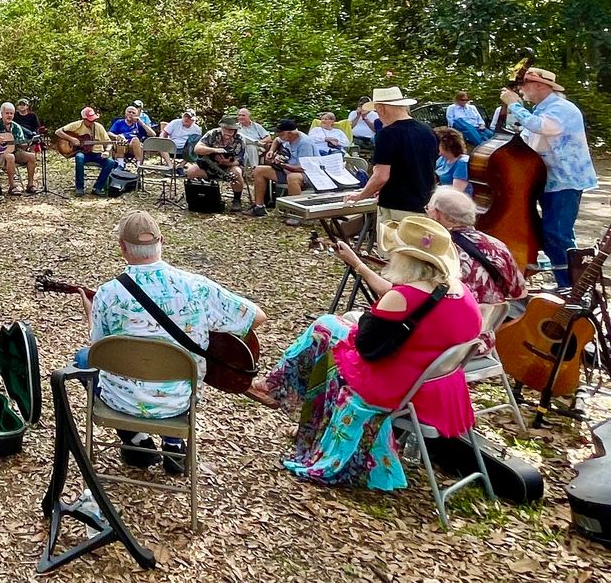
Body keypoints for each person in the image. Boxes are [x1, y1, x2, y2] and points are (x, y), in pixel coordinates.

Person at [251, 215, 480, 490]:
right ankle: (291, 403)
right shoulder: (458, 291)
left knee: (324, 329)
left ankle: (277, 389)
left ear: (406, 259)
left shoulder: (405, 297)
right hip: (437, 382)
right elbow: (398, 298)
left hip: (395, 384)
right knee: (334, 328)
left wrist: (354, 322)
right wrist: (357, 264)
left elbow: (366, 345)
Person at [76, 211, 265, 473]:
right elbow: (257, 317)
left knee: (83, 358)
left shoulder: (108, 293)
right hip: (180, 400)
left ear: (122, 247)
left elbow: (99, 348)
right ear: (161, 241)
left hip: (122, 400)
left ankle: (135, 440)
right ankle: (174, 444)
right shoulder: (196, 286)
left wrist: (90, 312)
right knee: (171, 367)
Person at [500, 67, 598, 292]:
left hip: (565, 181)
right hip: (547, 180)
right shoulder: (541, 109)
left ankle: (571, 286)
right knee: (556, 233)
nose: (522, 91)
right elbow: (528, 136)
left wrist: (514, 104)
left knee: (556, 232)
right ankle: (568, 280)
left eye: (525, 86)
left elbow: (541, 127)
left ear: (540, 86)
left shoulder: (562, 108)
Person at [426, 187, 526, 348]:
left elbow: (411, 296)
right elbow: (519, 292)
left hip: (443, 344)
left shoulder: (432, 249)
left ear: (438, 214)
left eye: (428, 210)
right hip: (483, 341)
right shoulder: (497, 246)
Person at [343, 86, 437, 224]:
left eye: (377, 111)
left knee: (393, 245)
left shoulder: (387, 134)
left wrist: (360, 195)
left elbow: (381, 176)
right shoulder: (427, 130)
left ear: (381, 108)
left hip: (396, 206)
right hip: (425, 204)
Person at [251, 119, 317, 221]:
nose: (279, 136)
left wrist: (282, 164)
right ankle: (259, 206)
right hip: (287, 169)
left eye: (281, 134)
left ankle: (297, 213)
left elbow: (303, 168)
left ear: (290, 133)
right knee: (259, 170)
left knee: (292, 178)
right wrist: (272, 151)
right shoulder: (286, 138)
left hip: (306, 174)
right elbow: (277, 140)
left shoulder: (304, 143)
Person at [186, 116, 246, 210]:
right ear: (221, 127)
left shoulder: (240, 139)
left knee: (237, 172)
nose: (228, 132)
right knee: (191, 171)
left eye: (231, 130)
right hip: (209, 166)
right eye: (226, 129)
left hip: (229, 167)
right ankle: (199, 197)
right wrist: (214, 150)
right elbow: (197, 149)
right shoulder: (212, 134)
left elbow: (239, 160)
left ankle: (236, 199)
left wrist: (226, 162)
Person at [0, 102, 37, 194]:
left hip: (13, 151)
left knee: (31, 156)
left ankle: (30, 185)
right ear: (2, 114)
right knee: (10, 157)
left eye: (11, 113)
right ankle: (12, 187)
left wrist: (28, 143)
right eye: (7, 113)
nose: (9, 115)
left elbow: (22, 146)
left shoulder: (16, 127)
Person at [57, 107, 117, 196]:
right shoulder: (76, 125)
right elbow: (58, 132)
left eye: (93, 120)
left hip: (97, 153)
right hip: (83, 152)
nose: (92, 122)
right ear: (84, 119)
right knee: (79, 157)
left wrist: (107, 151)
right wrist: (71, 139)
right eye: (89, 120)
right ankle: (79, 188)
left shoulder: (99, 127)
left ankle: (98, 187)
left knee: (111, 162)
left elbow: (109, 142)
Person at [434, 127, 471, 195]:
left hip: (456, 201)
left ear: (447, 144)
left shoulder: (462, 163)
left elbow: (456, 193)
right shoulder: (442, 159)